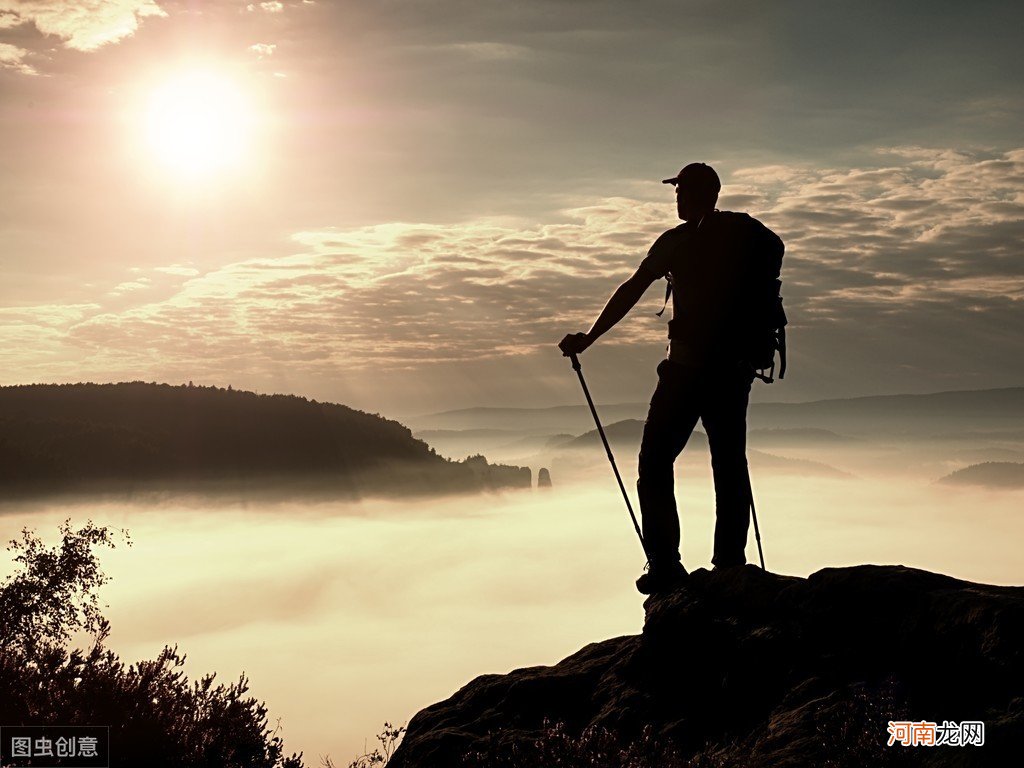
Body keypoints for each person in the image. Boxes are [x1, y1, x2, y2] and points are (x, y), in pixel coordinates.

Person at [558, 162, 784, 595]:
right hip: (734, 373)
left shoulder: (677, 243)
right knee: (730, 463)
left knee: (655, 462)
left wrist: (589, 338)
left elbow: (632, 288)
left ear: (696, 194)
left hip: (684, 371)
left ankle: (664, 564)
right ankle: (730, 562)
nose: (676, 198)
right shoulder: (747, 239)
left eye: (680, 191)